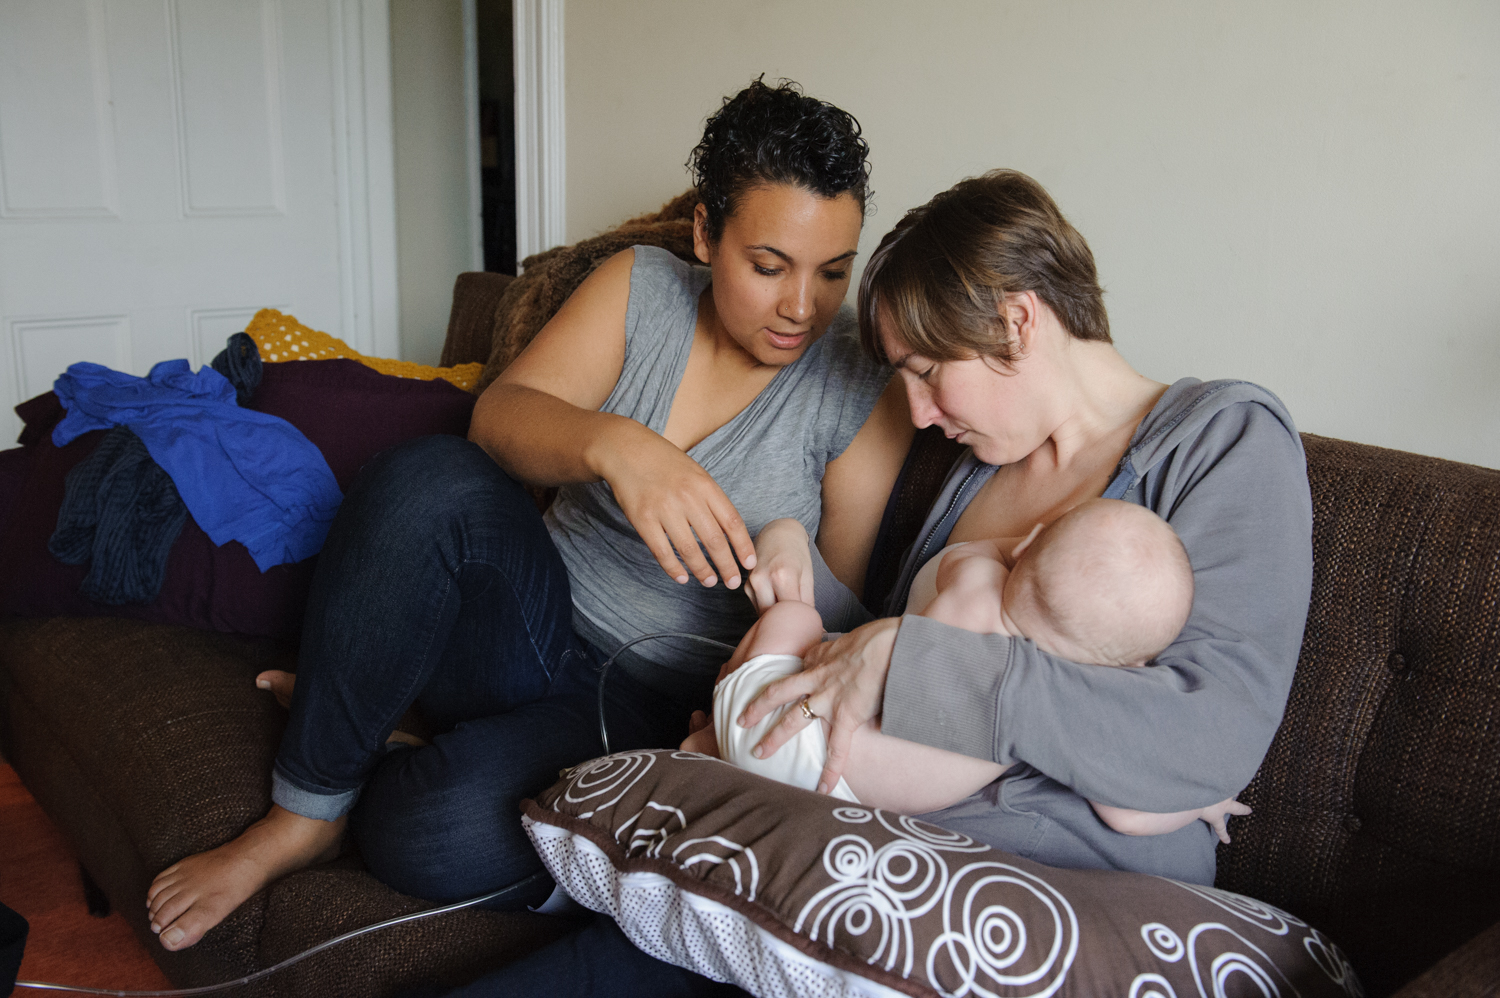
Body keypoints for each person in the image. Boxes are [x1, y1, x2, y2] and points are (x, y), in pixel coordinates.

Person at [142, 78, 914, 991]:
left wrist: (788, 556)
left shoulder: (857, 383)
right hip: (527, 623)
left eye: (834, 270)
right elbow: (499, 418)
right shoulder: (641, 288)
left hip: (655, 705)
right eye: (770, 264)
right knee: (426, 476)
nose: (802, 307)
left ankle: (376, 723)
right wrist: (616, 446)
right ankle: (303, 814)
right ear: (707, 235)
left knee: (422, 834)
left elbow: (846, 623)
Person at [735, 169, 1314, 888]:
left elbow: (1207, 735)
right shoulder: (985, 458)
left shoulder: (1224, 441)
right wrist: (796, 562)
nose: (916, 413)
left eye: (926, 371)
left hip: (1044, 874)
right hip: (881, 824)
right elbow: (889, 655)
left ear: (1016, 322)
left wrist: (934, 668)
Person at [684, 498, 1251, 843]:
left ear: (1026, 543)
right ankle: (709, 748)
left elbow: (960, 561)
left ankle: (709, 739)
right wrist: (1198, 801)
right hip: (836, 794)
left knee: (793, 618)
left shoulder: (971, 575)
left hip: (771, 706)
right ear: (1129, 664)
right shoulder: (1061, 704)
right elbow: (1126, 814)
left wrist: (1026, 547)